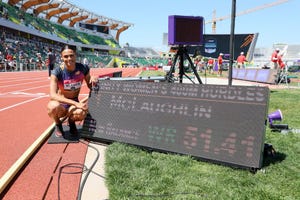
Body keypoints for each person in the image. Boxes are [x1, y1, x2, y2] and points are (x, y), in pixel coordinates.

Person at [47, 45, 97, 137]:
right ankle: (58, 124)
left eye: (71, 55)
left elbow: (90, 86)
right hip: (61, 105)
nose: (69, 58)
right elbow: (53, 95)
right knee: (52, 106)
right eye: (66, 56)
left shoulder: (83, 68)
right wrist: (76, 104)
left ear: (75, 55)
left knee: (82, 113)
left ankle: (71, 121)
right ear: (62, 57)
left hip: (74, 103)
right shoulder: (57, 72)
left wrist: (93, 80)